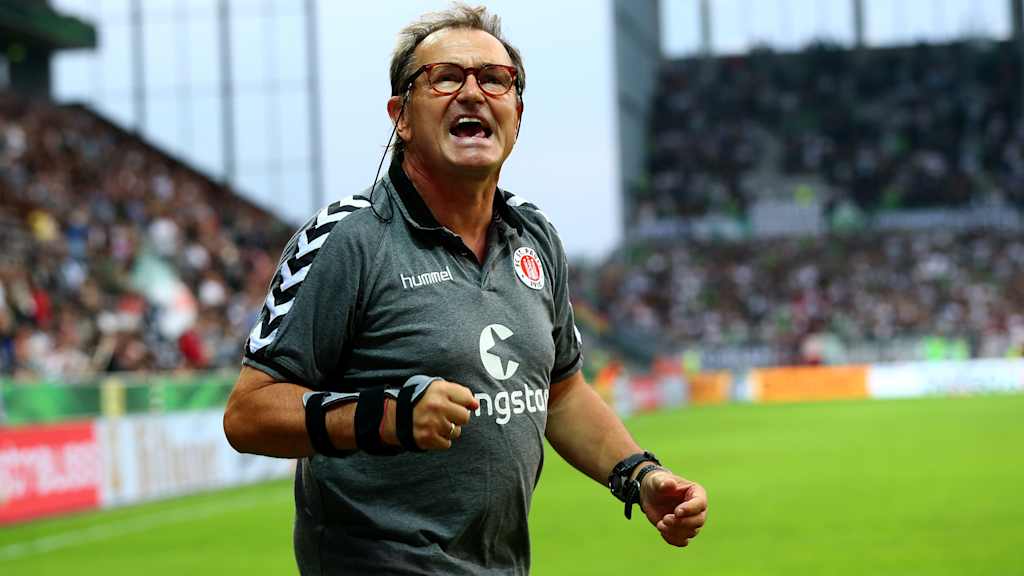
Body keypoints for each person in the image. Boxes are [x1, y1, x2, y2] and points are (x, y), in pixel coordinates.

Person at [223, 5, 707, 574]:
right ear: (401, 116)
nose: (473, 93)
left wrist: (639, 475)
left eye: (495, 79)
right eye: (445, 77)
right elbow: (248, 414)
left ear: (517, 114)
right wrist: (388, 416)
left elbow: (562, 394)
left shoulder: (535, 237)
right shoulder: (348, 239)